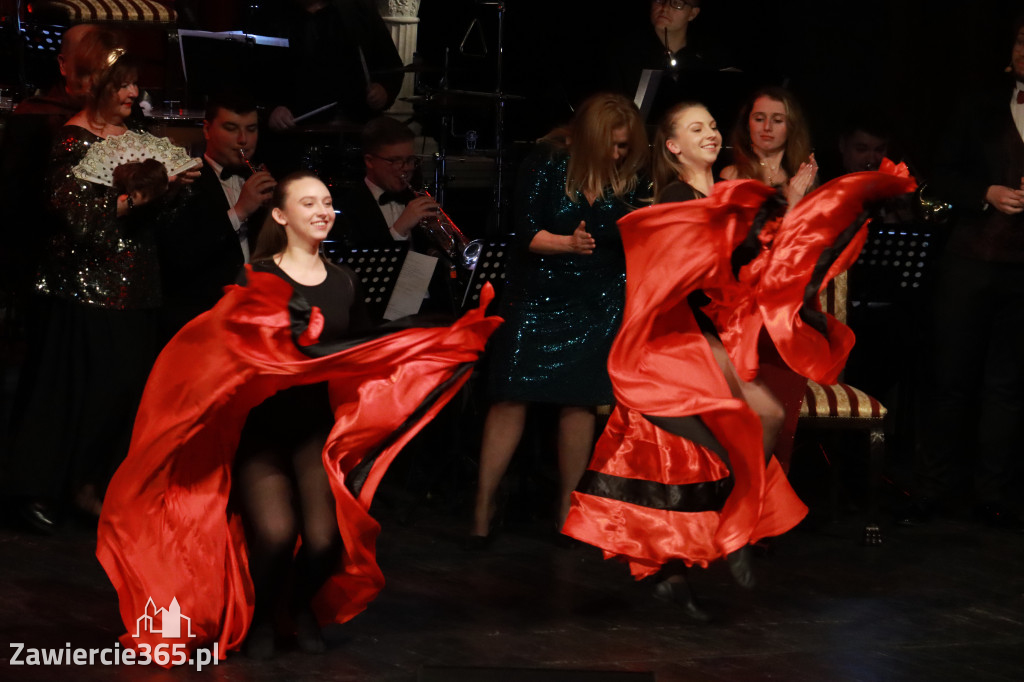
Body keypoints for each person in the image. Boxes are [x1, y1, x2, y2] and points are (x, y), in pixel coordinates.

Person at [95, 172, 500, 664]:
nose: (321, 211)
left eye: (327, 202)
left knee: (326, 539)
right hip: (261, 431)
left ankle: (298, 607)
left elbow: (367, 350)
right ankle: (264, 616)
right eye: (308, 203)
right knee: (276, 532)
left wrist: (437, 345)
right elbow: (220, 350)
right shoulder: (259, 278)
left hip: (313, 432)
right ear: (282, 216)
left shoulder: (345, 280)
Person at [562, 101, 918, 618]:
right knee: (696, 448)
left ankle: (704, 545)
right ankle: (701, 548)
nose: (709, 134)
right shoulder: (681, 197)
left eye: (711, 126)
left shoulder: (722, 195)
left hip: (714, 337)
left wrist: (794, 212)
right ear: (673, 146)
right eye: (695, 128)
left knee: (728, 438)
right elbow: (699, 270)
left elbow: (753, 264)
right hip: (674, 341)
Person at [4, 49, 199, 532]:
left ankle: (97, 485)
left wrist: (173, 191)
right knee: (71, 393)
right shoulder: (73, 140)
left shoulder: (140, 140)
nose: (135, 94)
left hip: (138, 284)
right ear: (100, 88)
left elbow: (160, 223)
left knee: (125, 392)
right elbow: (80, 219)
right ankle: (43, 490)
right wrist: (136, 199)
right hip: (80, 286)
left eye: (137, 86)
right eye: (125, 85)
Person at [468, 93, 649, 545]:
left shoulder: (625, 176)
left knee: (579, 403)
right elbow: (525, 232)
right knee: (510, 397)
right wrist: (567, 245)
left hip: (598, 298)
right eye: (612, 143)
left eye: (626, 146)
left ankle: (567, 508)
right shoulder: (546, 162)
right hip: (538, 293)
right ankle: (483, 506)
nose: (618, 153)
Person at [899, 17, 1024, 532]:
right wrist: (985, 194)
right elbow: (941, 175)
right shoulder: (978, 106)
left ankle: (991, 493)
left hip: (1022, 272)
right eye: (1020, 40)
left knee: (1008, 386)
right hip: (970, 260)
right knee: (950, 378)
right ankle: (932, 488)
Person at [159, 91, 277, 337]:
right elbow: (179, 259)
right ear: (207, 130)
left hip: (258, 320)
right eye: (232, 128)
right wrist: (240, 211)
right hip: (202, 323)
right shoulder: (184, 181)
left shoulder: (259, 178)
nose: (243, 140)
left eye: (251, 129)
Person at [268, 0, 404, 130]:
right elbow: (256, 74)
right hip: (295, 129)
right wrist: (271, 109)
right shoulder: (273, 14)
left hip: (357, 127)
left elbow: (391, 66)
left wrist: (384, 90)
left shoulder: (358, 10)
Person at [721, 86, 818, 208]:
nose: (767, 127)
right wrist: (793, 201)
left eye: (777, 120)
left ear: (791, 127)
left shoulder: (798, 176)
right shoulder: (733, 175)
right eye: (759, 119)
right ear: (747, 124)